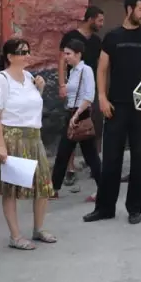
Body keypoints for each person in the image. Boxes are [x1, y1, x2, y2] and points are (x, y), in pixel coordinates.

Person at [85, 0, 141, 225]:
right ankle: (105, 208)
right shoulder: (111, 37)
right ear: (129, 9)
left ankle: (135, 209)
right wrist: (101, 96)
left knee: (140, 159)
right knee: (111, 159)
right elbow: (101, 70)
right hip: (115, 107)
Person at [0, 38, 53, 249]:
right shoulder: (1, 80)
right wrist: (0, 145)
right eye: (22, 51)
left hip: (34, 137)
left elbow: (31, 106)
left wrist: (40, 90)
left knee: (43, 185)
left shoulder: (29, 77)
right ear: (10, 56)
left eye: (28, 50)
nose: (27, 55)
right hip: (12, 137)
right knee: (11, 190)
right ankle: (15, 236)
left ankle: (39, 228)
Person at [58, 6, 105, 187]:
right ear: (90, 19)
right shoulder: (71, 37)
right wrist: (62, 85)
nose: (101, 24)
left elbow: (100, 65)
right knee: (72, 133)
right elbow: (61, 60)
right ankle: (70, 169)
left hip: (88, 90)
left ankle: (94, 168)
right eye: (99, 20)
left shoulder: (96, 40)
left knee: (88, 130)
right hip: (74, 88)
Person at [50, 39, 102, 198]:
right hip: (71, 113)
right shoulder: (72, 72)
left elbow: (89, 96)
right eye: (64, 53)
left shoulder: (85, 70)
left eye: (68, 54)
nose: (65, 57)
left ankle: (104, 188)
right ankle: (54, 188)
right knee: (65, 153)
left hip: (81, 114)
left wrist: (77, 115)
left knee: (89, 155)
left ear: (78, 54)